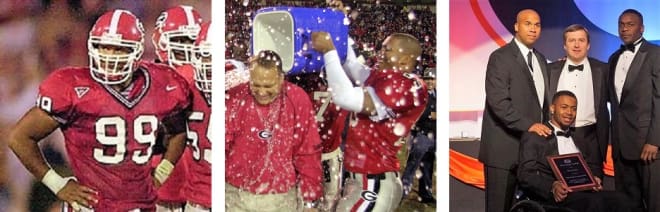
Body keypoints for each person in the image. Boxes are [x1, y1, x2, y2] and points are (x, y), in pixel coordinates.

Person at [7, 9, 190, 211]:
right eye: (103, 47)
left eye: (119, 49)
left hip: (141, 205)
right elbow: (19, 137)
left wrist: (162, 171)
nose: (109, 56)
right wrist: (56, 183)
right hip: (91, 206)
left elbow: (179, 131)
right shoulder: (74, 87)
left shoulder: (161, 83)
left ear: (137, 51)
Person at [311, 32, 428, 211]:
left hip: (374, 179)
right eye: (382, 48)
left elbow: (345, 97)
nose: (380, 53)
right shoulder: (382, 76)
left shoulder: (407, 85)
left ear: (404, 61)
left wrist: (329, 50)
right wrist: (341, 27)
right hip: (359, 176)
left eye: (387, 50)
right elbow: (350, 64)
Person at [225, 50, 323, 211]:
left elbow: (307, 152)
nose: (262, 92)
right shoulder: (236, 97)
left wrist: (310, 199)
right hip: (236, 194)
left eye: (268, 86)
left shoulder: (297, 99)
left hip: (279, 197)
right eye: (256, 84)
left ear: (281, 79)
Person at [478, 9, 551, 212]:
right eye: (528, 24)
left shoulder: (541, 60)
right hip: (503, 151)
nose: (533, 29)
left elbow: (543, 104)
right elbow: (498, 102)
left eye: (537, 25)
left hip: (532, 155)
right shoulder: (500, 57)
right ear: (516, 27)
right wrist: (530, 125)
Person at [517, 90, 631, 212]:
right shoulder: (535, 136)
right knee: (593, 203)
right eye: (564, 107)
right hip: (556, 196)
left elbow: (593, 165)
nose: (570, 113)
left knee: (622, 200)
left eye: (573, 108)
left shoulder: (579, 138)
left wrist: (594, 178)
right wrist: (552, 186)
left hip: (583, 191)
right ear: (552, 109)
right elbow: (525, 174)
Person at [150, 5, 203, 211]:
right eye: (181, 41)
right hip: (161, 193)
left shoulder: (206, 77)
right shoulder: (150, 79)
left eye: (192, 41)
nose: (188, 48)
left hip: (199, 193)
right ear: (161, 41)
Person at [608, 9, 660, 212]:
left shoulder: (656, 55)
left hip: (647, 146)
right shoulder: (613, 58)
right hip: (621, 146)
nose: (624, 28)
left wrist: (655, 141)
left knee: (654, 203)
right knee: (626, 204)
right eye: (621, 24)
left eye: (630, 24)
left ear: (642, 28)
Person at [547, 24, 609, 167]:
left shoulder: (603, 70)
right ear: (564, 45)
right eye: (571, 40)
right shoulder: (550, 70)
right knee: (559, 186)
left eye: (581, 40)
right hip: (556, 138)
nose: (576, 45)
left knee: (593, 185)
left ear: (588, 45)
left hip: (591, 139)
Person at [172, 21, 212, 211]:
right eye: (204, 56)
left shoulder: (247, 90)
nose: (209, 65)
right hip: (197, 200)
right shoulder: (184, 84)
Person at [401, 67, 436, 205]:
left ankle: (425, 194)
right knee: (412, 165)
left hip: (434, 135)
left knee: (428, 165)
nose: (430, 81)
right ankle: (402, 193)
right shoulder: (420, 94)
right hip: (422, 135)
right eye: (427, 79)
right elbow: (418, 114)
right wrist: (432, 115)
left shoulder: (436, 94)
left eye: (432, 78)